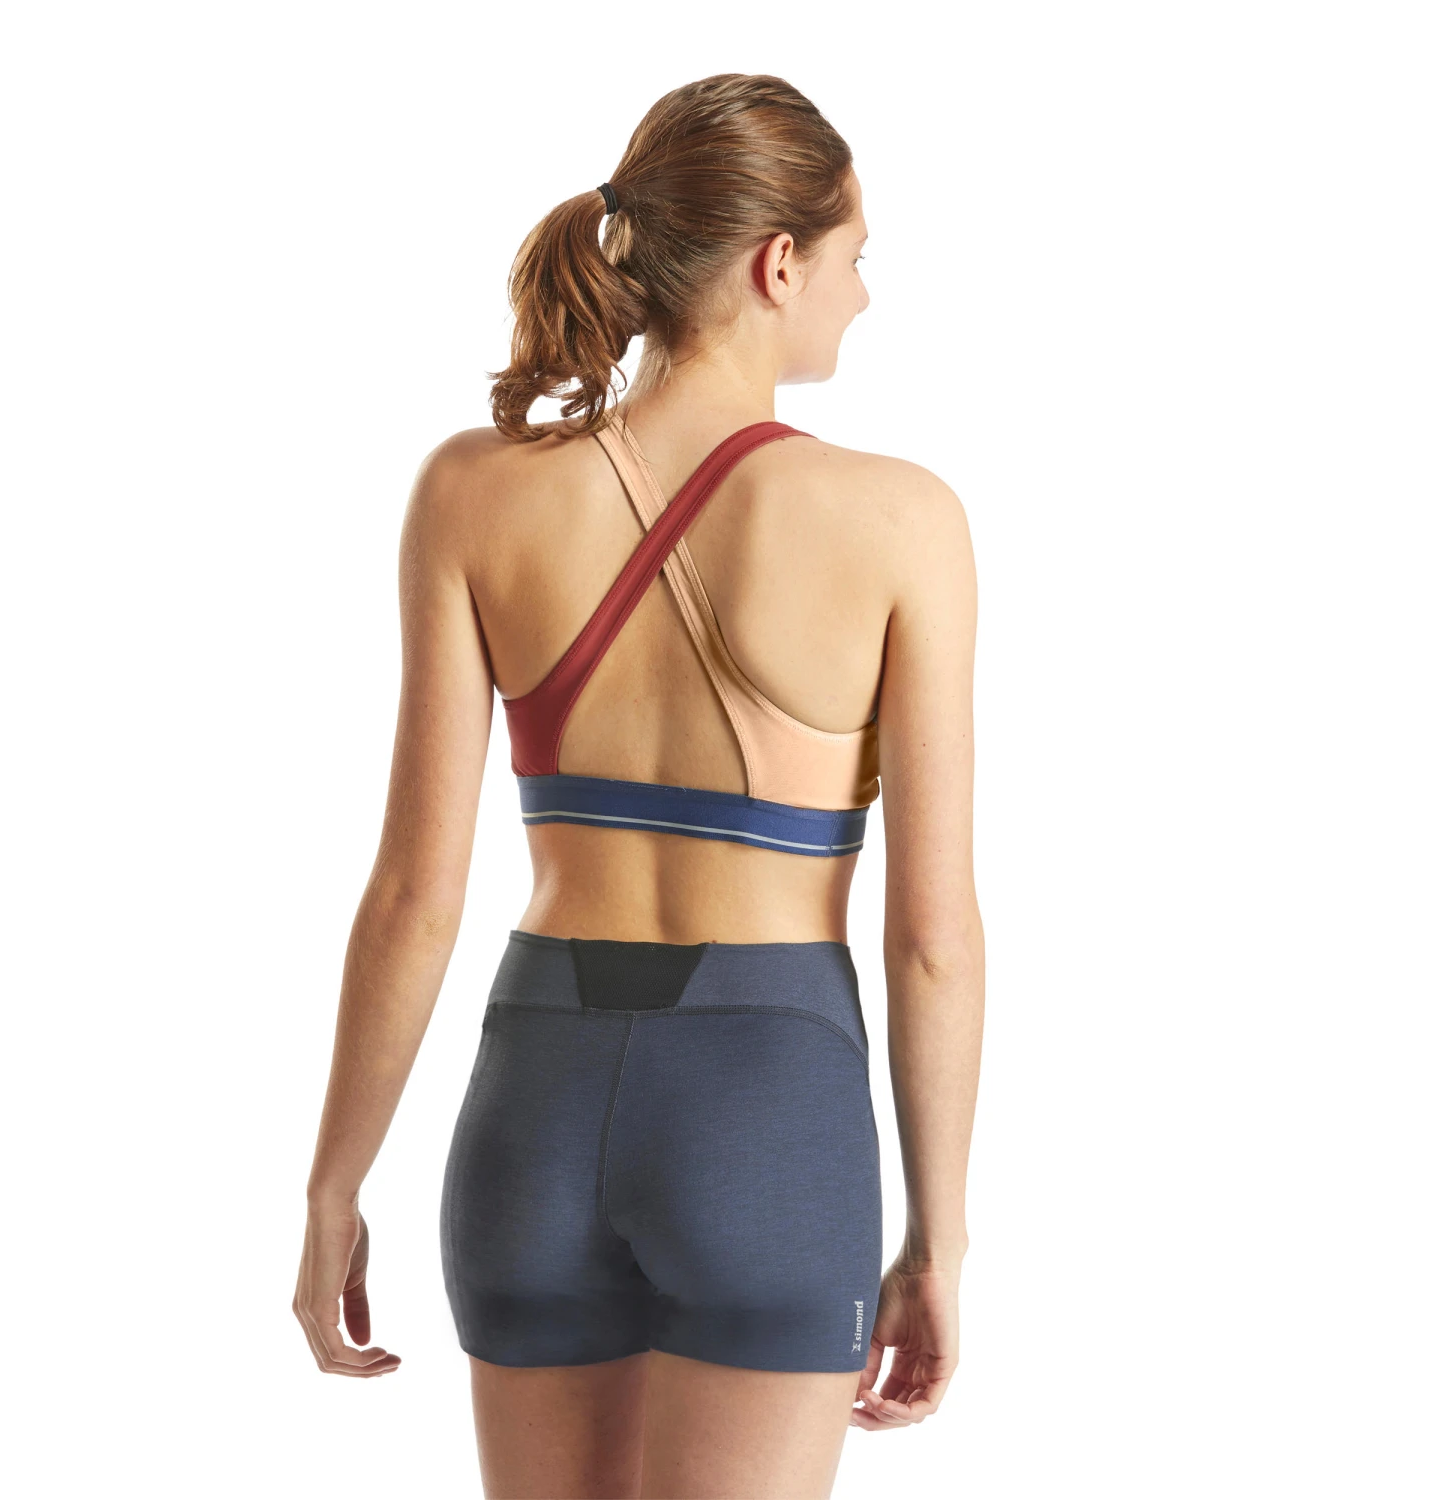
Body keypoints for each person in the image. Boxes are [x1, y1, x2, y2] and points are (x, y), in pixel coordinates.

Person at [293, 72, 984, 1500]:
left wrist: (333, 1185)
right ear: (778, 263)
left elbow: (414, 897)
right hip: (766, 1105)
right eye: (856, 258)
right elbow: (930, 937)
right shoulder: (901, 519)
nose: (862, 295)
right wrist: (939, 1238)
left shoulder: (471, 490)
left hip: (532, 1103)